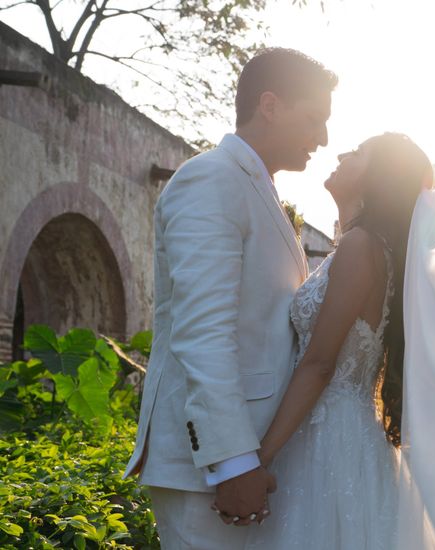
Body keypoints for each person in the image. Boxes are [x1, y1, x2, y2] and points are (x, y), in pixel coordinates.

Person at [122, 47, 336, 549]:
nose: (323, 139)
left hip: (253, 461)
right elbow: (203, 333)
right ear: (270, 105)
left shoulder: (256, 187)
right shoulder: (211, 178)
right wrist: (234, 461)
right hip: (210, 473)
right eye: (314, 119)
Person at [246, 133, 434, 549]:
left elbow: (319, 363)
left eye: (359, 152)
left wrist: (259, 459)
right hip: (348, 435)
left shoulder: (360, 247)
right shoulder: (368, 249)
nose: (343, 153)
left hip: (325, 440)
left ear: (377, 178)